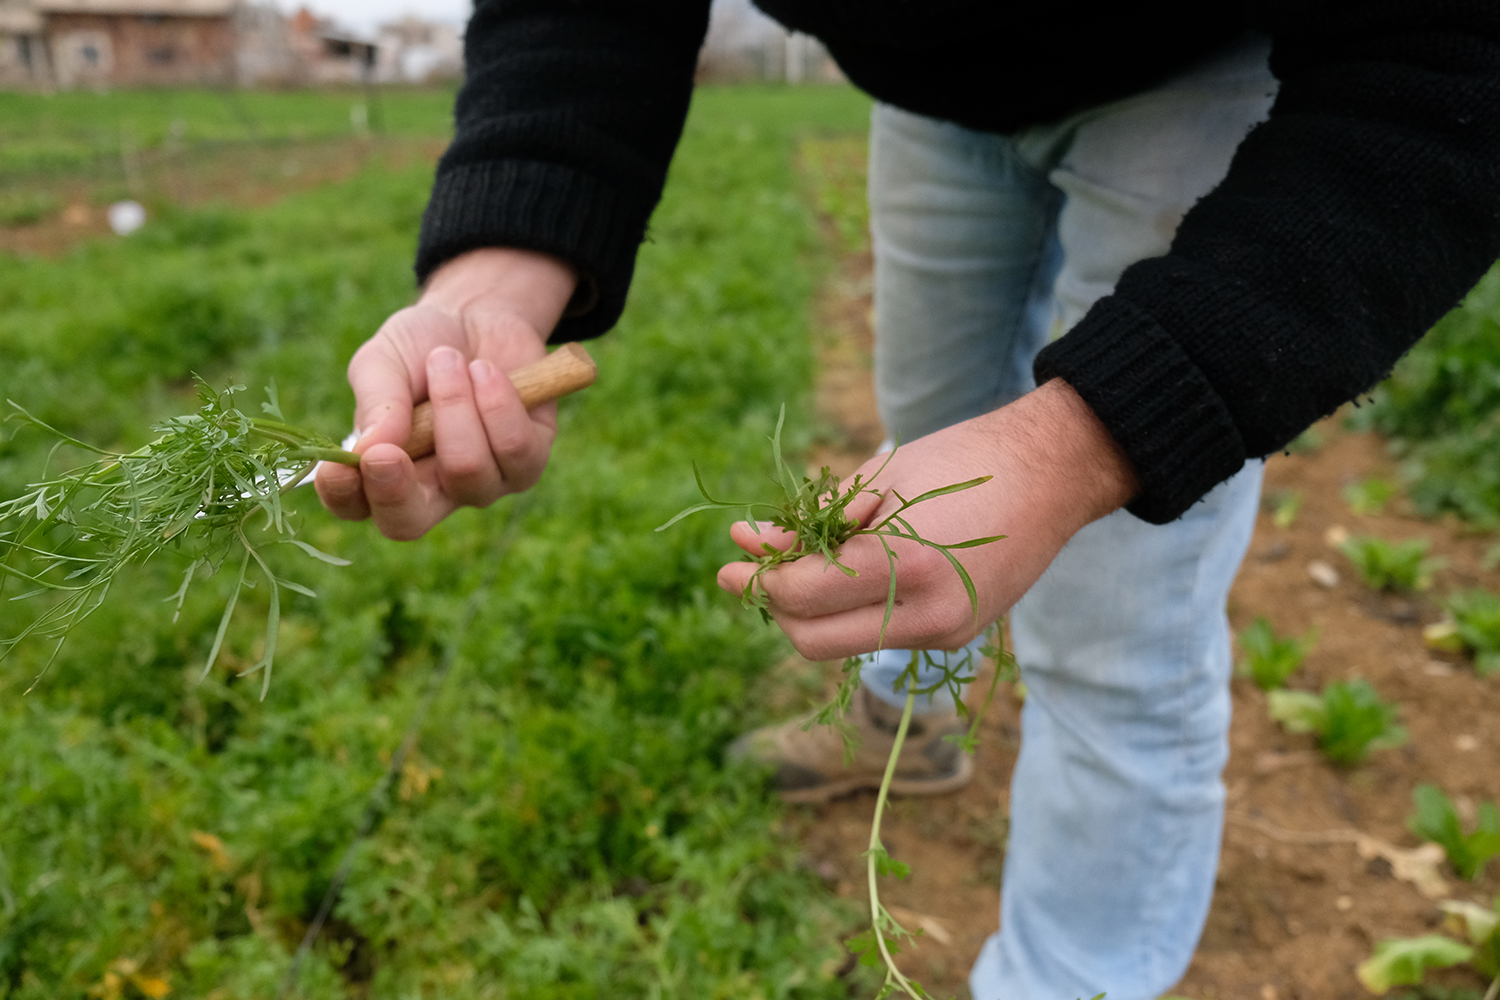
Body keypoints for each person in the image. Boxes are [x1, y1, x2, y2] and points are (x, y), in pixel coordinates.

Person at [315, 3, 1500, 998]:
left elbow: (1450, 61)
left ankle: (1068, 973)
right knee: (917, 443)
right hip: (933, 101)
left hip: (1195, 69)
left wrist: (1083, 443)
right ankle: (910, 721)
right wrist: (494, 278)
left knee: (1115, 606)